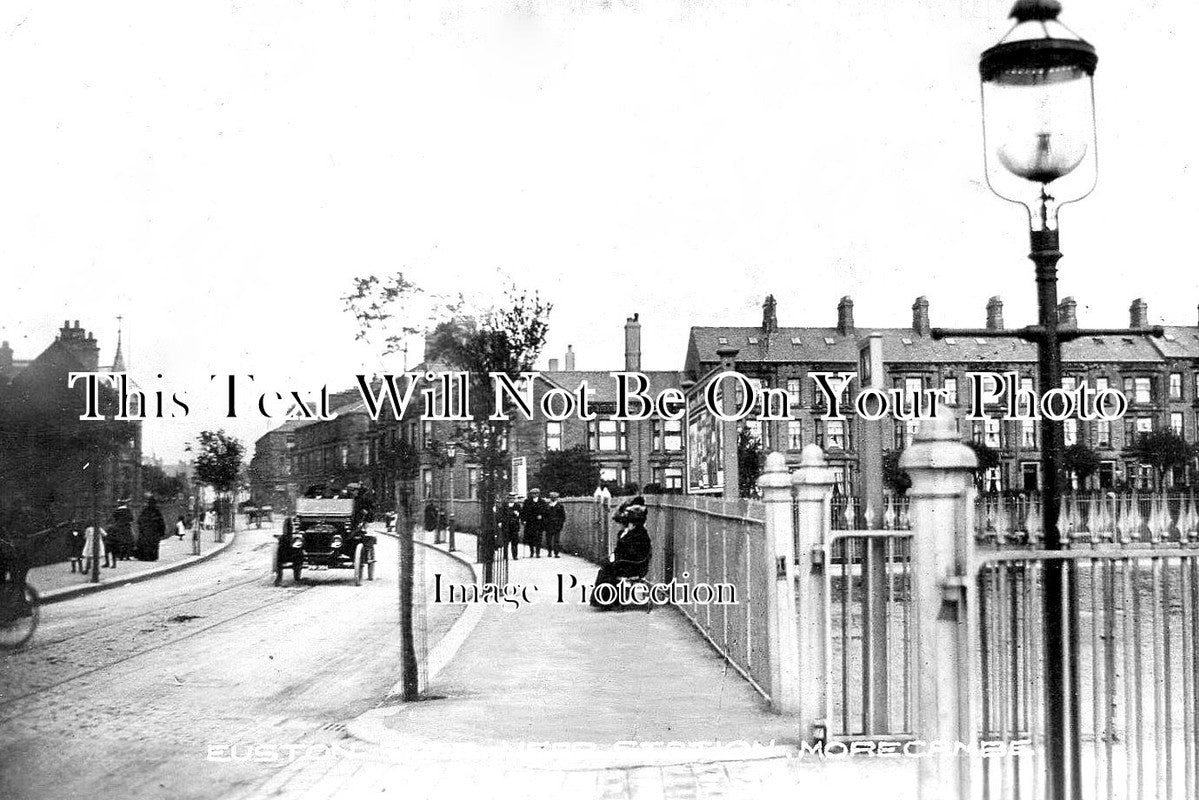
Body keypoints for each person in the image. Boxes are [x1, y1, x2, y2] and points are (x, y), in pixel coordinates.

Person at [591, 496, 651, 609]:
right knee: (605, 568)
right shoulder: (626, 533)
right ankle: (606, 600)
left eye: (627, 522)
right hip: (625, 563)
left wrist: (616, 559)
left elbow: (633, 553)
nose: (624, 524)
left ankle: (607, 601)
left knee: (607, 570)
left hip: (633, 565)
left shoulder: (639, 534)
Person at [136, 496, 166, 561]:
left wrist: (141, 529)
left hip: (146, 532)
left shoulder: (145, 511)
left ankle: (145, 557)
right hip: (154, 532)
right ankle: (152, 557)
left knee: (145, 545)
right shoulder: (157, 512)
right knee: (153, 545)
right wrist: (162, 532)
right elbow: (161, 523)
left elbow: (139, 521)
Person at [521, 488, 547, 558]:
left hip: (538, 523)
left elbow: (546, 512)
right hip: (530, 523)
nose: (534, 495)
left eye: (536, 493)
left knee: (538, 538)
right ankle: (532, 551)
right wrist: (523, 520)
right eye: (533, 493)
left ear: (538, 494)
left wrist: (541, 516)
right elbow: (523, 512)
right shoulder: (527, 501)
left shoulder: (542, 502)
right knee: (530, 538)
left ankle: (538, 552)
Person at [499, 494, 522, 560]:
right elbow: (501, 514)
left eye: (513, 498)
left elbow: (521, 514)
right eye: (510, 498)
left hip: (514, 526)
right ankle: (505, 556)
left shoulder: (517, 506)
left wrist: (517, 514)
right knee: (506, 542)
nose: (511, 499)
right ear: (508, 499)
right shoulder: (504, 505)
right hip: (506, 526)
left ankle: (515, 555)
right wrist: (500, 522)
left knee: (515, 542)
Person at [543, 492, 565, 558]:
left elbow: (563, 516)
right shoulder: (547, 505)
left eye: (555, 497)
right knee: (548, 540)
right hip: (549, 525)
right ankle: (549, 552)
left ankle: (556, 553)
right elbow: (544, 515)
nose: (553, 498)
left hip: (556, 525)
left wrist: (560, 525)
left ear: (557, 498)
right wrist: (545, 524)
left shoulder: (560, 506)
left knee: (556, 540)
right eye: (552, 497)